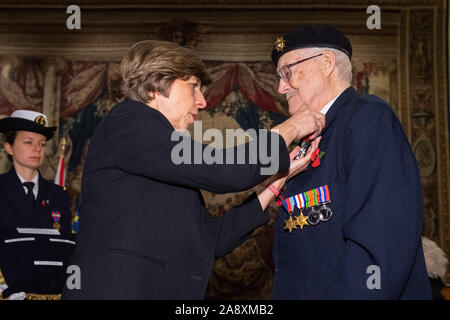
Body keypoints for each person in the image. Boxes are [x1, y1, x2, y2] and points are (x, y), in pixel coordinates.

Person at [62, 40, 324, 299]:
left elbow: (212, 239)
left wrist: (276, 182)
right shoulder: (128, 121)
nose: (201, 101)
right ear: (157, 85)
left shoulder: (159, 155)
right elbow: (223, 170)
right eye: (194, 87)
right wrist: (288, 129)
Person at [270, 24, 432, 299]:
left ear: (327, 63)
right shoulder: (315, 136)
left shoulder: (368, 119)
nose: (281, 86)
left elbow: (380, 244)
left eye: (288, 72)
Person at [0, 110, 74, 300]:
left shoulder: (59, 196)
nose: (38, 149)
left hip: (48, 293)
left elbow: (63, 249)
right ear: (9, 147)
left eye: (42, 144)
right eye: (28, 142)